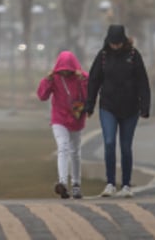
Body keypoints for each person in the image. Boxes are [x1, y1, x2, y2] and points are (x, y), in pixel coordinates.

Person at [85, 24, 151, 198]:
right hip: (108, 107)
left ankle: (127, 185)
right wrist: (89, 105)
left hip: (130, 109)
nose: (115, 46)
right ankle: (110, 183)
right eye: (112, 43)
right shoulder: (103, 56)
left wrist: (145, 106)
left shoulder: (133, 56)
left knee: (126, 147)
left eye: (118, 43)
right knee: (108, 142)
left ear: (124, 40)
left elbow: (143, 82)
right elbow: (93, 81)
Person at [36, 50, 89, 200]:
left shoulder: (82, 78)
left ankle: (77, 184)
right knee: (63, 147)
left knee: (75, 152)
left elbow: (88, 97)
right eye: (63, 70)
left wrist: (83, 81)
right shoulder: (55, 78)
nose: (65, 73)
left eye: (68, 70)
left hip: (76, 118)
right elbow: (42, 96)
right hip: (59, 119)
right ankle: (63, 182)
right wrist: (47, 80)